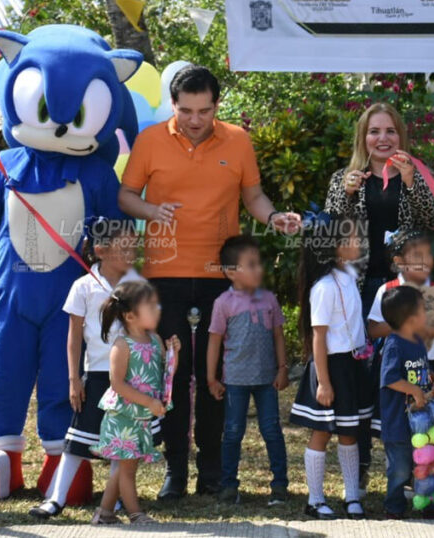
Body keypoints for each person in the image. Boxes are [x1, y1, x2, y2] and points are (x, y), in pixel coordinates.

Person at [118, 64, 300, 499]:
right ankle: (175, 472)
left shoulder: (237, 140)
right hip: (165, 275)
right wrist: (151, 212)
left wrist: (274, 217)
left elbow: (253, 197)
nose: (194, 119)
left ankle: (213, 472)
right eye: (185, 110)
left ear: (217, 106)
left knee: (218, 374)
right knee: (175, 377)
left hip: (223, 279)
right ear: (174, 105)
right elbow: (125, 195)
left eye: (203, 110)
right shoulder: (150, 140)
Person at [29, 219, 146, 519]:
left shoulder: (136, 284)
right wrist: (73, 379)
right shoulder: (82, 286)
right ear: (100, 250)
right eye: (123, 247)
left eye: (133, 247)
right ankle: (56, 499)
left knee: (122, 443)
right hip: (96, 374)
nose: (130, 253)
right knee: (77, 440)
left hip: (131, 376)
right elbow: (74, 337)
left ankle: (115, 499)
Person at [323, 102, 434, 314]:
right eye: (374, 132)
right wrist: (346, 193)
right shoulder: (342, 179)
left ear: (400, 136)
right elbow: (330, 230)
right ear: (363, 138)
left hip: (406, 284)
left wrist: (412, 183)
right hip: (358, 284)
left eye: (390, 131)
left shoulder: (421, 176)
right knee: (363, 347)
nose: (383, 138)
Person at [289, 215, 370, 520]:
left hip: (351, 365)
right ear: (333, 246)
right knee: (321, 433)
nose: (357, 242)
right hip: (329, 368)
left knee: (350, 433)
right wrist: (323, 382)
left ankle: (352, 497)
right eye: (350, 238)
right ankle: (315, 499)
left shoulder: (348, 276)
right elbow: (318, 338)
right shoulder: (322, 287)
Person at [206, 236, 290, 506]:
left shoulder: (269, 300)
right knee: (232, 433)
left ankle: (279, 485)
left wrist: (282, 368)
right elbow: (214, 341)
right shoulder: (223, 303)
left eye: (259, 264)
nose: (259, 269)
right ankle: (229, 486)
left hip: (267, 381)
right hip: (235, 382)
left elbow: (278, 336)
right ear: (231, 272)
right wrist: (211, 378)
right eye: (251, 264)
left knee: (272, 431)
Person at [90, 281, 180, 525]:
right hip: (123, 417)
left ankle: (105, 513)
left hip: (140, 417)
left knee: (123, 468)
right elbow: (117, 384)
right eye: (150, 306)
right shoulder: (122, 345)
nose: (157, 310)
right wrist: (148, 401)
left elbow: (165, 375)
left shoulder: (155, 340)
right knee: (127, 469)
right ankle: (135, 514)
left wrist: (175, 355)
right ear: (130, 315)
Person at [378, 286, 434, 518]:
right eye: (422, 309)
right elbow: (390, 378)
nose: (426, 314)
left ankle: (429, 503)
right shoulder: (394, 343)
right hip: (398, 421)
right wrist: (414, 391)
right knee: (400, 467)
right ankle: (394, 505)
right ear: (410, 318)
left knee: (426, 463)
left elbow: (420, 371)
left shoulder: (417, 342)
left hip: (421, 420)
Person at [367, 230, 434, 368]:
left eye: (428, 254)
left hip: (428, 363)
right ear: (399, 261)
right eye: (417, 255)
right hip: (394, 363)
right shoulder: (387, 290)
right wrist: (402, 325)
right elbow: (373, 330)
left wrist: (426, 329)